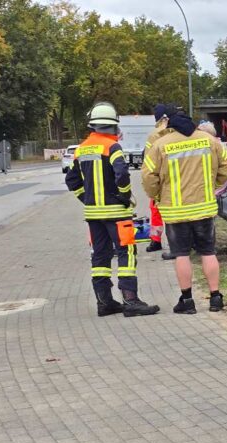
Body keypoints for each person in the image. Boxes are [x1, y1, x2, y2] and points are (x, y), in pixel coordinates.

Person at [66, 101, 160, 317]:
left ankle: (105, 302)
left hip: (93, 215)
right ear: (112, 126)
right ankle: (131, 301)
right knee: (126, 253)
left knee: (100, 257)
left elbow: (71, 180)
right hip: (117, 214)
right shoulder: (113, 147)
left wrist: (86, 199)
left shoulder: (81, 149)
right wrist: (124, 196)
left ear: (93, 126)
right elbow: (122, 174)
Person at [142, 107, 227, 314]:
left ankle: (187, 301)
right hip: (204, 207)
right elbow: (226, 164)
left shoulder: (160, 145)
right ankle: (216, 298)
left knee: (181, 255)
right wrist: (213, 183)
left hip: (175, 211)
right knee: (208, 252)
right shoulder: (209, 140)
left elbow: (148, 177)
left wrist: (157, 196)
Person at [144, 104, 176, 257]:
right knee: (174, 212)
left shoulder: (153, 135)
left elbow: (148, 161)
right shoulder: (178, 131)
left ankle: (156, 240)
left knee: (156, 212)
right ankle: (176, 243)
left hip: (159, 179)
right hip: (177, 177)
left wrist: (150, 184)